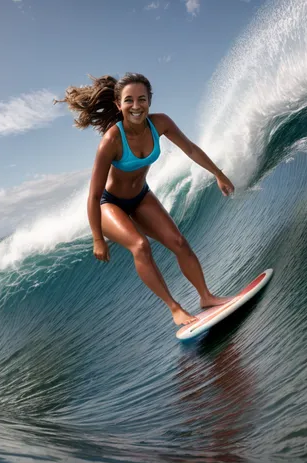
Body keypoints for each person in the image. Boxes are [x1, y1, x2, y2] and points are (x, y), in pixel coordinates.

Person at [56, 73, 235, 325]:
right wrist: (98, 238)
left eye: (142, 99)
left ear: (150, 100)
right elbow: (94, 194)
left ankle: (206, 297)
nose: (136, 106)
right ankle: (175, 309)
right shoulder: (112, 140)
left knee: (178, 242)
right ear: (119, 105)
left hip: (141, 196)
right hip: (110, 203)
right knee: (140, 246)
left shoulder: (160, 123)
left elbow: (191, 149)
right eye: (129, 100)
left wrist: (218, 173)